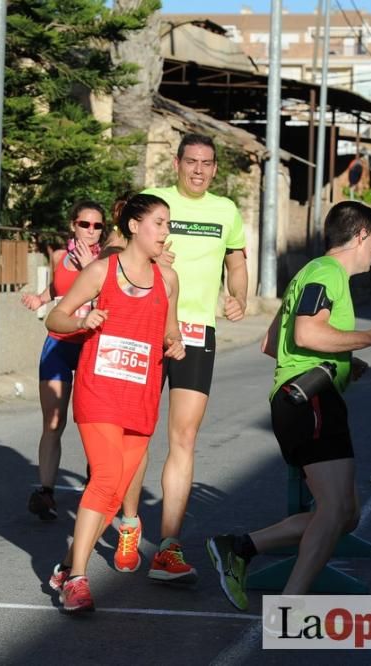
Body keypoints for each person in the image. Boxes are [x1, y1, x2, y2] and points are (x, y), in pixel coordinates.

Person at [205, 200, 371, 610]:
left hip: (308, 396)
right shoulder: (328, 272)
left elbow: (273, 343)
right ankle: (292, 605)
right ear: (361, 235)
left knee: (346, 516)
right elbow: (309, 333)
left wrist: (346, 358)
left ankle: (240, 547)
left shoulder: (311, 273)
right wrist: (370, 337)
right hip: (309, 401)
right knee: (334, 512)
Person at [113, 133, 249, 584]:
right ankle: (131, 524)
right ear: (176, 163)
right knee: (137, 434)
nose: (198, 170)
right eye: (191, 161)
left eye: (207, 163)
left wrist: (238, 297)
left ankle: (168, 546)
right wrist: (152, 258)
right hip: (147, 328)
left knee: (184, 438)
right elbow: (121, 252)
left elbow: (236, 261)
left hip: (196, 331)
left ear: (214, 168)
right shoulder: (155, 204)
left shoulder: (225, 211)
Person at [44, 193, 184, 612]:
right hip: (99, 389)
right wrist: (82, 320)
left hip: (141, 393)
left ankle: (67, 566)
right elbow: (56, 318)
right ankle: (79, 581)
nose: (165, 232)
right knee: (105, 477)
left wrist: (173, 344)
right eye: (159, 223)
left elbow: (169, 331)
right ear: (135, 226)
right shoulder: (102, 270)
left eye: (167, 224)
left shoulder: (169, 279)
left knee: (115, 490)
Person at [20, 201, 106, 521]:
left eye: (98, 226)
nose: (91, 231)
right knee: (53, 422)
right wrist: (40, 298)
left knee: (92, 422)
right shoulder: (58, 256)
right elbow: (58, 288)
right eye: (85, 224)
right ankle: (46, 493)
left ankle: (95, 483)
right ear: (73, 225)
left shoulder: (107, 261)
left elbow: (108, 299)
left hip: (91, 347)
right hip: (58, 344)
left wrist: (90, 267)